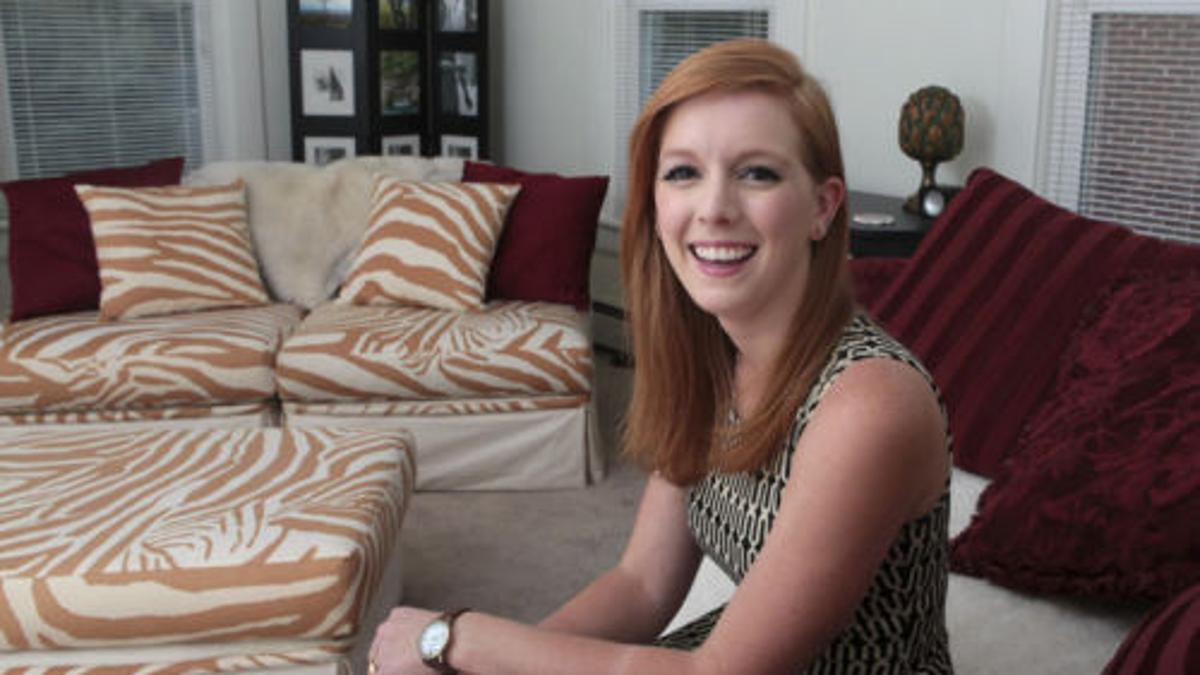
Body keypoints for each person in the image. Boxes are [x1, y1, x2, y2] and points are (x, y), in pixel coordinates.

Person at [368, 38, 952, 674]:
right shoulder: (708, 360)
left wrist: (457, 638)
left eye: (757, 173)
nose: (714, 209)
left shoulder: (870, 404)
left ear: (822, 206)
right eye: (682, 173)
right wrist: (482, 667)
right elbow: (642, 585)